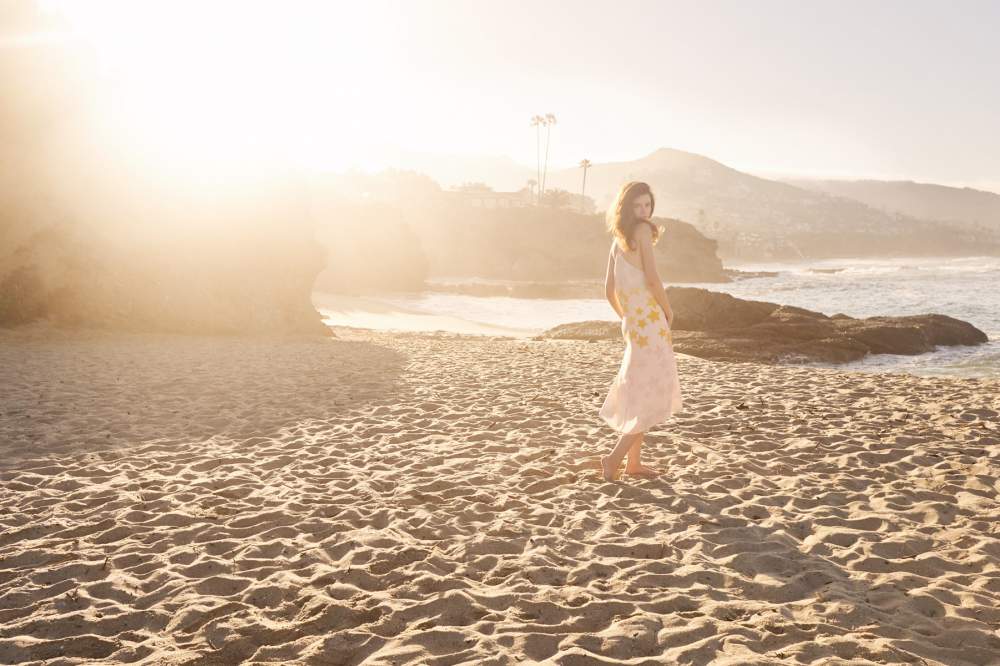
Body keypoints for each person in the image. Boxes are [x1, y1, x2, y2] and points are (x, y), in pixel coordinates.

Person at [598, 181, 683, 481]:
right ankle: (614, 459)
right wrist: (668, 309)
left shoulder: (615, 240)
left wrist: (627, 318)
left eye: (647, 205)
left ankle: (633, 463)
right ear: (626, 207)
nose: (644, 211)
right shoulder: (644, 231)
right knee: (649, 391)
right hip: (650, 322)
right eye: (638, 206)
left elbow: (609, 291)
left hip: (634, 325)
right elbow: (652, 279)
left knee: (639, 388)